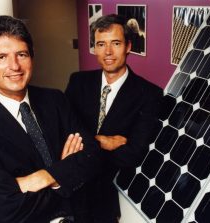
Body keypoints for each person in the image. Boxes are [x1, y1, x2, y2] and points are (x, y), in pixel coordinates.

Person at [0, 15, 102, 223]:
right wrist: (65, 173)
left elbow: (92, 155)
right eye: (1, 57)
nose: (15, 66)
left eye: (21, 54)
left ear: (32, 57)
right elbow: (4, 208)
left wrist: (43, 177)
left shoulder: (55, 99)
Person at [65, 14, 163, 223]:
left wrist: (84, 145)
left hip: (107, 195)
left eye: (115, 43)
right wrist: (102, 141)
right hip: (70, 190)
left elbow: (133, 154)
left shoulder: (149, 94)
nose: (107, 52)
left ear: (128, 46)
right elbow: (64, 135)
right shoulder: (78, 82)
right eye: (101, 44)